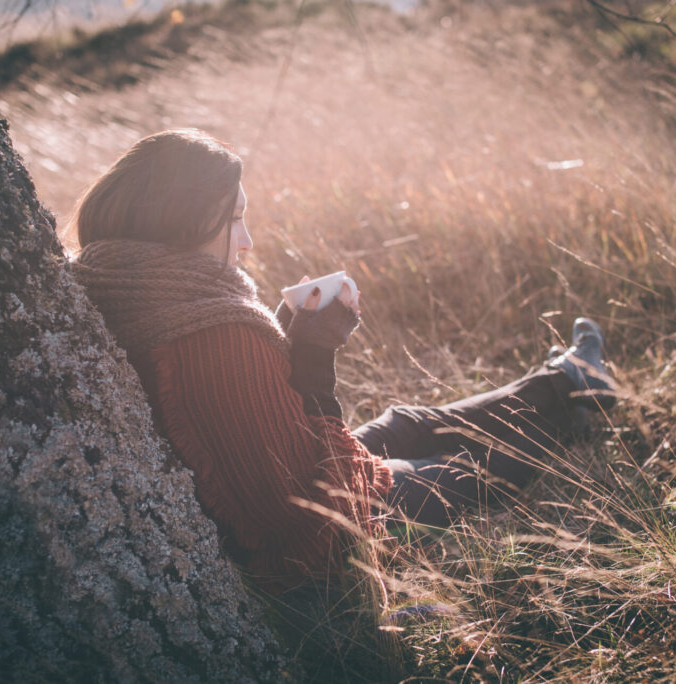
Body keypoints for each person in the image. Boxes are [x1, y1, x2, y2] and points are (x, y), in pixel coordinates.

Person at [69, 129, 616, 594]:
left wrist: (293, 337)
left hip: (277, 499)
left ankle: (568, 379)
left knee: (405, 422)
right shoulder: (215, 333)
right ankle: (570, 409)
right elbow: (310, 483)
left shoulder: (119, 286)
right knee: (465, 465)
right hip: (325, 539)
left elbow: (244, 413)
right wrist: (314, 346)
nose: (248, 241)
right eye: (233, 221)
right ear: (181, 223)